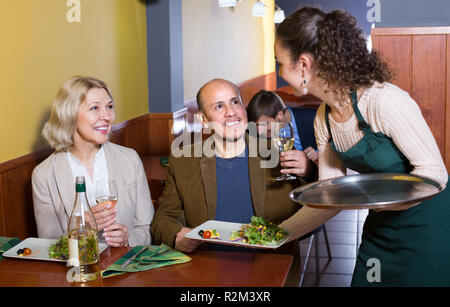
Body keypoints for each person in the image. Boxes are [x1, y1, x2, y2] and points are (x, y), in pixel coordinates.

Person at [275, 7, 450, 286]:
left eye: (281, 62)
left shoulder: (383, 101)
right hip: (381, 230)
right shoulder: (324, 119)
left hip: (428, 227)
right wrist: (277, 234)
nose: (281, 73)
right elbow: (328, 200)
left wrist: (371, 200)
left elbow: (435, 173)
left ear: (304, 65)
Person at [151, 78, 316, 254]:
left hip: (269, 265)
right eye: (219, 106)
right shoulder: (183, 160)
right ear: (203, 120)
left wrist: (309, 171)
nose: (231, 112)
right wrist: (176, 235)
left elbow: (314, 208)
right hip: (207, 267)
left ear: (244, 109)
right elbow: (163, 219)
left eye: (235, 102)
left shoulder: (277, 151)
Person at [32, 76, 154, 247]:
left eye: (109, 107)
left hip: (125, 268)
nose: (107, 116)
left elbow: (147, 229)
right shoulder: (44, 174)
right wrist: (81, 229)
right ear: (70, 114)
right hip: (75, 272)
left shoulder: (129, 159)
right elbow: (48, 245)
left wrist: (128, 239)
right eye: (94, 108)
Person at [247, 89, 318, 163]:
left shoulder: (313, 119)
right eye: (256, 126)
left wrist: (317, 154)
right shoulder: (254, 133)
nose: (259, 132)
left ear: (279, 115)